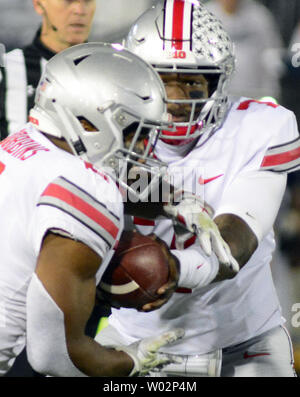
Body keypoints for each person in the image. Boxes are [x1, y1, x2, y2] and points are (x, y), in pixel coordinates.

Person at [95, 0, 300, 377]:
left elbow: (236, 239)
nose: (174, 99)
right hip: (133, 339)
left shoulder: (262, 126)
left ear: (219, 81)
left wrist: (172, 268)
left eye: (190, 81)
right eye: (161, 78)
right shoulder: (105, 132)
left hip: (245, 344)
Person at [0, 42, 185, 377]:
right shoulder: (90, 190)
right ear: (90, 121)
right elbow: (55, 356)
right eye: (133, 131)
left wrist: (176, 200)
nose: (142, 148)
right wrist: (132, 362)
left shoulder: (22, 142)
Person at [0, 0, 96, 139]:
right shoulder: (7, 70)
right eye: (68, 1)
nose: (80, 10)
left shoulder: (113, 72)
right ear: (39, 4)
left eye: (88, 1)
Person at [205, 0, 284, 102]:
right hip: (219, 94)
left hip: (256, 93)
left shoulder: (259, 15)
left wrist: (271, 91)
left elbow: (273, 56)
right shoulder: (206, 16)